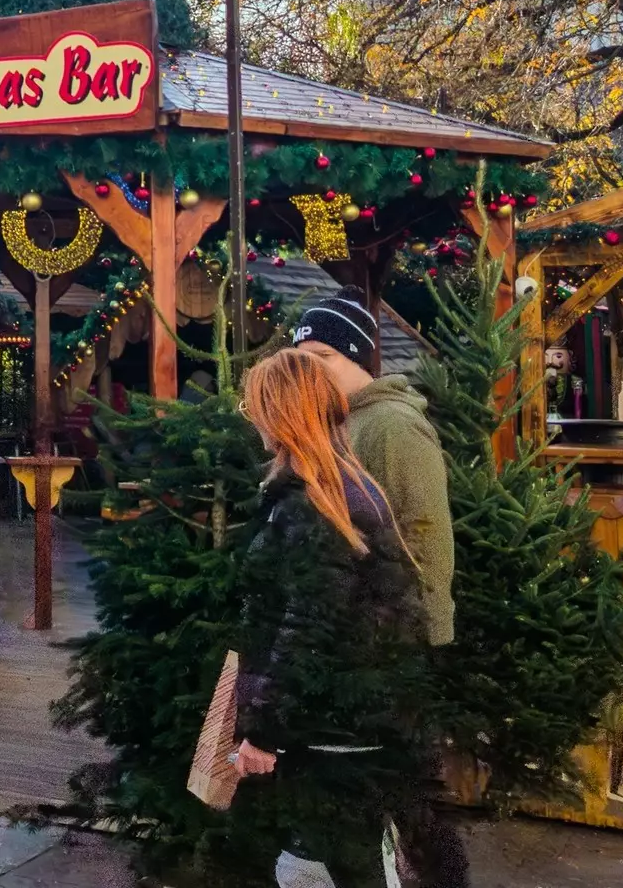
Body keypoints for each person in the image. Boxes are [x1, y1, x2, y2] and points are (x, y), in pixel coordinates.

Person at [231, 348, 462, 888]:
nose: (252, 417)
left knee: (351, 865)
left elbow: (309, 624)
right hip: (352, 717)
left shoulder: (315, 502)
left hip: (334, 727)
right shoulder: (343, 488)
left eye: (254, 406)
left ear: (281, 413)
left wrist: (265, 730)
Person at [290, 292, 455, 645]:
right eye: (302, 362)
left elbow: (426, 527)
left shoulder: (392, 424)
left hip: (393, 633)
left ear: (356, 357)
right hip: (346, 627)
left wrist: (424, 625)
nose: (312, 372)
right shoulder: (335, 420)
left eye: (323, 357)